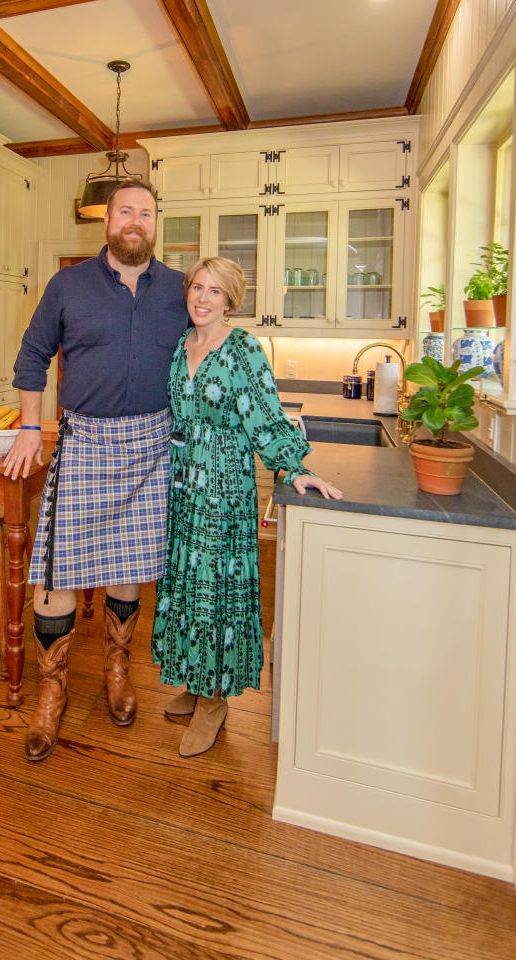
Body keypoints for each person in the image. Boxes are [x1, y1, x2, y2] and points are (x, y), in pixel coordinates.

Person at [3, 179, 189, 762]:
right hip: (84, 443)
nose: (136, 220)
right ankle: (51, 693)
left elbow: (207, 353)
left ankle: (117, 668)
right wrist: (31, 427)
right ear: (106, 221)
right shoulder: (69, 285)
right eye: (125, 210)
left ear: (157, 223)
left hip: (153, 444)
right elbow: (32, 355)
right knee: (55, 573)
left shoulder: (181, 290)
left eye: (146, 212)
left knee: (127, 567)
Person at [151, 256, 342, 758]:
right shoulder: (182, 345)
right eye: (197, 288)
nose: (202, 298)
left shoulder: (243, 350)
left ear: (230, 300)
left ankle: (215, 701)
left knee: (215, 591)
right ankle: (193, 682)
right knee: (188, 586)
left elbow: (268, 419)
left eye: (215, 291)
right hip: (182, 488)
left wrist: (294, 468)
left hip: (222, 492)